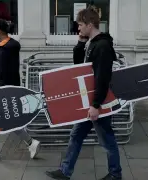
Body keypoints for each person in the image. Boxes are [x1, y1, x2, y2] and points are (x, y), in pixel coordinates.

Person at [45, 8, 122, 180]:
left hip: (97, 103)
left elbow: (102, 78)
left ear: (89, 24)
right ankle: (65, 171)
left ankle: (116, 174)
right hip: (91, 101)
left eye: (80, 25)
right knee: (77, 135)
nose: (78, 28)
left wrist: (96, 105)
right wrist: (80, 44)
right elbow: (79, 68)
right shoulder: (92, 43)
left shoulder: (102, 46)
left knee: (107, 140)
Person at [0, 19, 41, 161]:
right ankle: (30, 143)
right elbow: (4, 68)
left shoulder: (3, 50)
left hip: (1, 91)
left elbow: (2, 74)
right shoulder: (9, 46)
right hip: (8, 90)